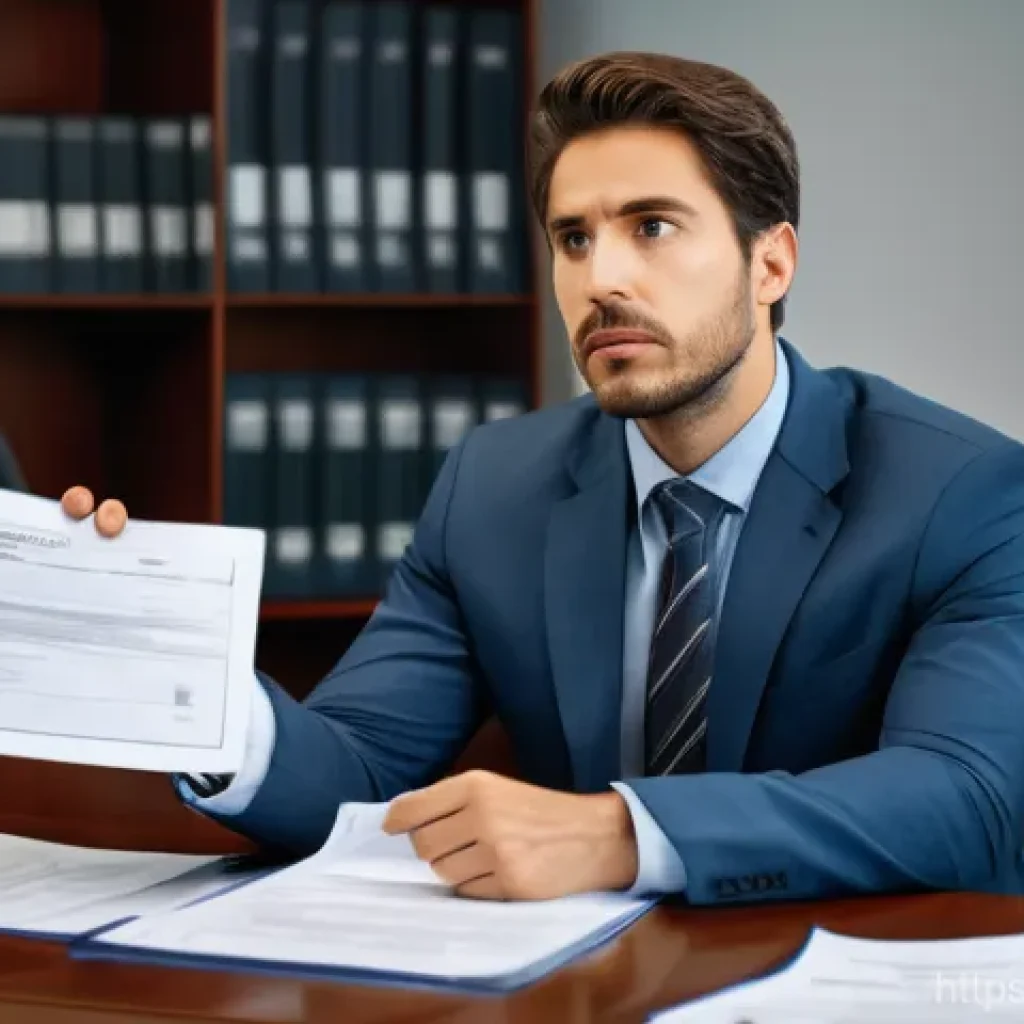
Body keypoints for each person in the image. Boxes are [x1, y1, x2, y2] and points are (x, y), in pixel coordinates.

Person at [63, 52, 1024, 906]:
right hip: (575, 993)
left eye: (651, 227)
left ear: (769, 262)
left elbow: (967, 792)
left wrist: (618, 832)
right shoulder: (494, 486)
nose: (602, 277)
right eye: (573, 238)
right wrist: (185, 676)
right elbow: (358, 767)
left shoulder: (962, 490)